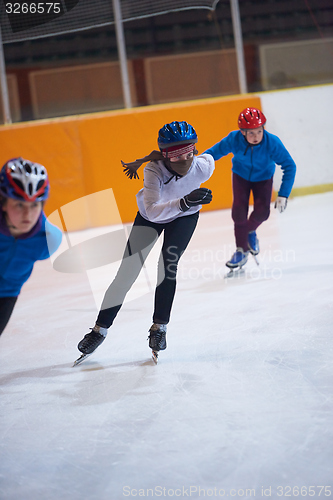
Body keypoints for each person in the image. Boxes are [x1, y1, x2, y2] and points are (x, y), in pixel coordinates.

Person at [76, 121, 214, 362]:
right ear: (164, 154)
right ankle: (100, 329)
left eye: (189, 151)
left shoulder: (203, 166)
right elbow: (152, 211)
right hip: (153, 216)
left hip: (185, 218)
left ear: (196, 148)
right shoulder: (154, 170)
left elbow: (224, 147)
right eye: (174, 154)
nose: (183, 158)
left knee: (167, 268)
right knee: (127, 272)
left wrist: (241, 136)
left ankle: (159, 328)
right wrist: (184, 202)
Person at [204, 107, 296, 269]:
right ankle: (241, 250)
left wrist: (283, 194)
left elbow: (289, 165)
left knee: (263, 213)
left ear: (263, 129)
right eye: (251, 133)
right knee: (238, 212)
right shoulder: (234, 139)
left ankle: (249, 231)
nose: (256, 137)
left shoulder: (272, 143)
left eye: (259, 131)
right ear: (242, 132)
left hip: (263, 178)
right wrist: (197, 164)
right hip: (241, 176)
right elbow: (214, 153)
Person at [0, 157, 62, 335]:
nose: (27, 214)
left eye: (34, 205)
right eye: (19, 205)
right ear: (3, 203)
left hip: (7, 295)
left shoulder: (48, 240)